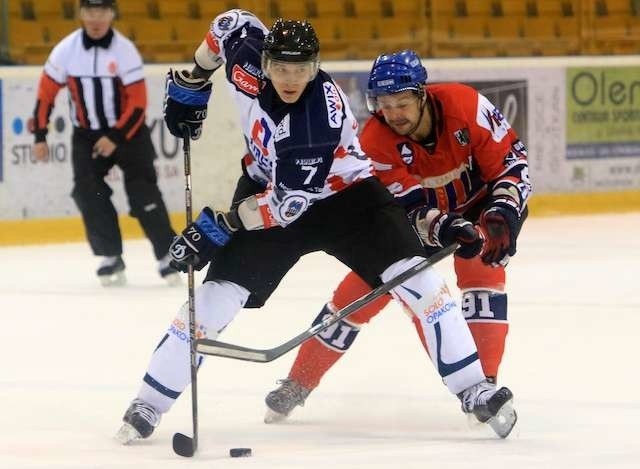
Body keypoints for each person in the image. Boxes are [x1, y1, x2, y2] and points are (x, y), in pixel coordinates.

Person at [115, 10, 517, 444]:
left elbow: (286, 209)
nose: (291, 79)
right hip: (266, 186)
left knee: (421, 284)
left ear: (316, 66)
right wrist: (196, 79)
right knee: (213, 301)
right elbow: (228, 24)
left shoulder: (315, 121)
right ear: (264, 62)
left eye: (303, 70)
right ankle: (148, 402)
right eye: (283, 69)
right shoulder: (246, 50)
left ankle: (475, 388)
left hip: (347, 201)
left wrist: (220, 226)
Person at [263, 50, 531, 426]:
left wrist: (502, 214)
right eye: (384, 105)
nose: (393, 114)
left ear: (422, 94)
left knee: (483, 275)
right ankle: (298, 381)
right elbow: (408, 209)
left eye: (402, 103)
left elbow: (512, 165)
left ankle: (483, 386)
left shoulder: (467, 106)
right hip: (415, 226)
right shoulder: (374, 141)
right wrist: (443, 226)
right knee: (353, 297)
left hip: (479, 211)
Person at [31, 0, 179, 286]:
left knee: (143, 193)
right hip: (86, 136)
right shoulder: (66, 50)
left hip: (129, 133)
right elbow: (45, 94)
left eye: (102, 11)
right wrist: (39, 134)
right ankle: (110, 256)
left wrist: (115, 138)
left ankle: (167, 256)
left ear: (112, 14)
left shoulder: (125, 51)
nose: (95, 18)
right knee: (88, 192)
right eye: (89, 11)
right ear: (81, 14)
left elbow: (138, 104)